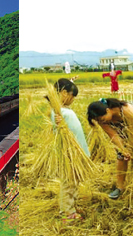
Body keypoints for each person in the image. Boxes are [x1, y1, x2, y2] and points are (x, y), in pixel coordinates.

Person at [50, 78, 89, 222]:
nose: (73, 100)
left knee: (74, 181)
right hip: (69, 153)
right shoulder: (58, 112)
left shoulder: (63, 111)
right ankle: (67, 212)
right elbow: (58, 132)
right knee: (69, 182)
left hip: (76, 152)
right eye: (72, 96)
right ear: (64, 93)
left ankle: (71, 205)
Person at [86, 98, 133, 199]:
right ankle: (120, 188)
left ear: (107, 110)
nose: (102, 122)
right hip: (121, 131)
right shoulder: (102, 120)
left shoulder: (127, 111)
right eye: (99, 121)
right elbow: (113, 135)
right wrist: (123, 150)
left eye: (102, 119)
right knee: (121, 157)